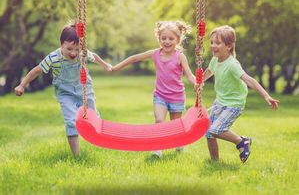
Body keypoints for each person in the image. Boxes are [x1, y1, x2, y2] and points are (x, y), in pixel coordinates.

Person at [14, 20, 112, 156]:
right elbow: (37, 71)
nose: (73, 53)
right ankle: (77, 156)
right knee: (71, 121)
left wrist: (105, 64)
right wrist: (22, 85)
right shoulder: (53, 58)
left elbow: (93, 57)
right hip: (65, 93)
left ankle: (99, 140)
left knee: (93, 116)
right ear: (61, 45)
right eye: (69, 49)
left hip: (84, 89)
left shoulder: (82, 53)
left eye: (77, 49)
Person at [113, 20, 196, 158]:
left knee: (175, 126)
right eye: (163, 38)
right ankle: (157, 148)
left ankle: (179, 142)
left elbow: (189, 74)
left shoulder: (180, 56)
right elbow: (134, 58)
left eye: (171, 38)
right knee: (159, 120)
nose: (167, 41)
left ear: (178, 40)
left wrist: (195, 83)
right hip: (160, 96)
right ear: (159, 39)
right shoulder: (155, 53)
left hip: (177, 97)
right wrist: (117, 67)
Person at [203, 25, 280, 163]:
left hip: (234, 104)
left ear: (229, 46)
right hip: (220, 101)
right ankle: (214, 162)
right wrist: (199, 81)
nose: (213, 46)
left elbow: (250, 80)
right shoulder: (215, 60)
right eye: (212, 42)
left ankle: (241, 142)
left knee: (216, 129)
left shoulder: (232, 64)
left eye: (217, 43)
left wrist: (266, 96)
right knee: (209, 132)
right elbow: (209, 72)